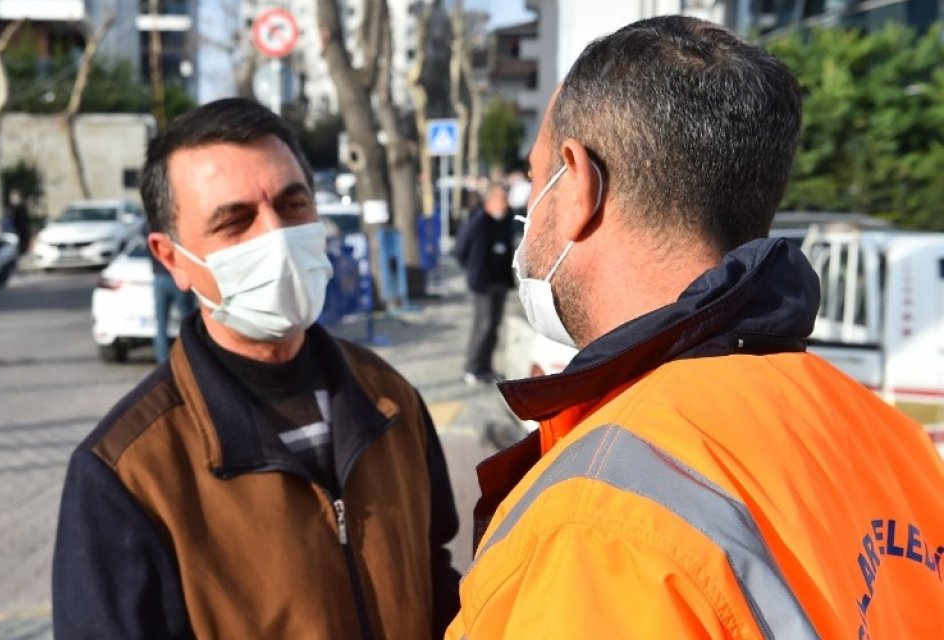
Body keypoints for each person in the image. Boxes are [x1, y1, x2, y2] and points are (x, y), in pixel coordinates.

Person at [449, 16, 944, 639]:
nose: (530, 208)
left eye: (536, 174)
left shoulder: (596, 527)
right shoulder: (883, 433)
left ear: (577, 184)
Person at [53, 98, 461, 639]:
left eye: (293, 206)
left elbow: (433, 578)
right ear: (171, 257)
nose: (275, 237)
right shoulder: (127, 474)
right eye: (235, 220)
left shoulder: (390, 400)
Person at [453, 184, 516, 385]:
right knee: (483, 325)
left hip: (501, 281)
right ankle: (472, 367)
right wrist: (474, 270)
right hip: (483, 284)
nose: (505, 205)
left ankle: (486, 366)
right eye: (501, 200)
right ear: (490, 202)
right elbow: (460, 250)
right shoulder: (478, 222)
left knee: (494, 326)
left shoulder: (507, 222)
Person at [149, 243, 196, 363]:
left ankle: (163, 361)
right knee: (188, 322)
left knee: (161, 324)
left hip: (159, 278)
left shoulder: (148, 229)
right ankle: (191, 358)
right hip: (177, 276)